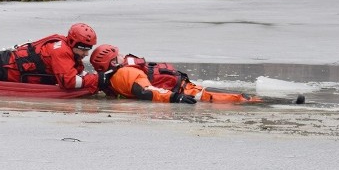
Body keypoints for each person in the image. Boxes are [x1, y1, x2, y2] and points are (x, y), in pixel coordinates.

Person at [91, 44, 258, 104]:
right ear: (113, 62)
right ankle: (255, 101)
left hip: (182, 89)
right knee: (239, 98)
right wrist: (174, 97)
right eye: (118, 55)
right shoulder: (127, 73)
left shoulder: (115, 77)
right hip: (185, 92)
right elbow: (147, 91)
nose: (123, 56)